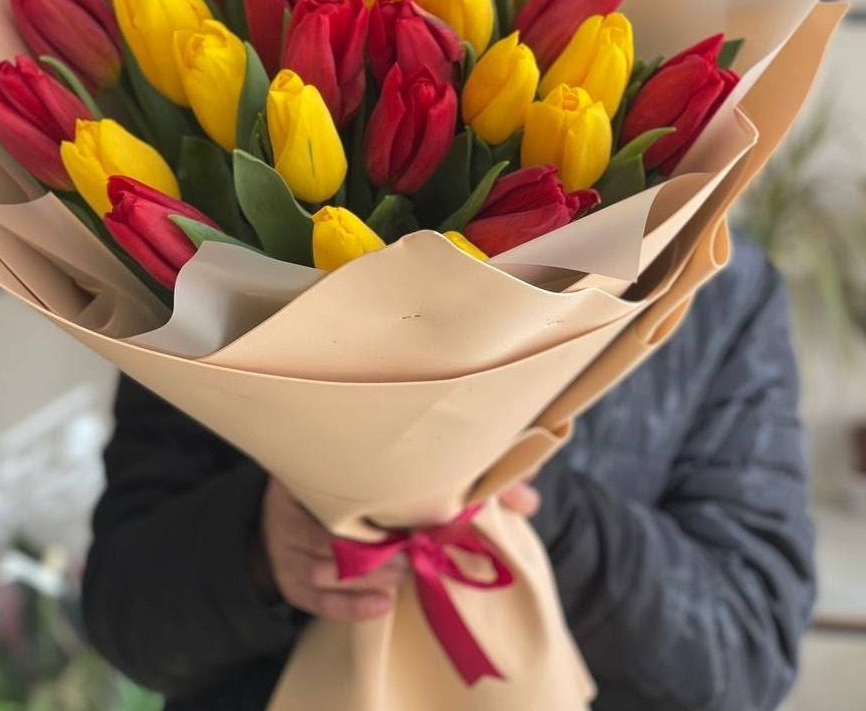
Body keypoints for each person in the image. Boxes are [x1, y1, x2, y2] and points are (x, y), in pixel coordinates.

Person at [82, 235, 815, 711]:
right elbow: (123, 617)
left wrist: (528, 497)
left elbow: (748, 655)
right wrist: (257, 550)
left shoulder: (716, 292)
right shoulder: (214, 264)